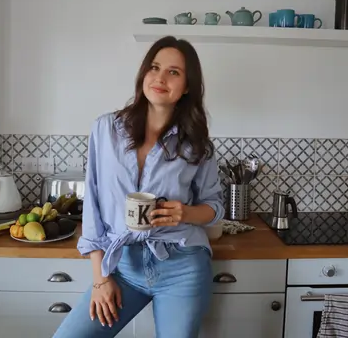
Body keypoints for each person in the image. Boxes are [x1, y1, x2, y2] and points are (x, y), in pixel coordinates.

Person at [53, 36, 224, 338]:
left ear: (186, 87)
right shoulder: (106, 129)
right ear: (144, 74)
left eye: (174, 72)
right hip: (122, 266)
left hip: (182, 266)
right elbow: (92, 204)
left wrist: (185, 213)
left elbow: (214, 207)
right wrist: (100, 279)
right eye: (154, 67)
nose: (160, 77)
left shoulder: (198, 145)